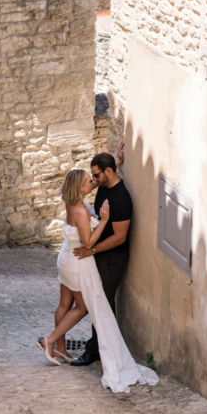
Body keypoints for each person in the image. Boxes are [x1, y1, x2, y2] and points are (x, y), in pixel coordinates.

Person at [38, 166, 157, 394]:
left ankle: (61, 349)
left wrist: (120, 162)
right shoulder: (81, 212)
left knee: (64, 304)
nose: (92, 182)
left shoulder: (72, 204)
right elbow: (88, 243)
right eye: (88, 181)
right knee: (82, 307)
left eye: (93, 179)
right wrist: (103, 220)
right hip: (76, 262)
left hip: (65, 256)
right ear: (80, 188)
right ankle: (50, 341)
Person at [70, 149, 131, 369]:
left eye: (96, 176)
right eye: (92, 177)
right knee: (98, 301)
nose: (93, 181)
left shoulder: (121, 199)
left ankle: (97, 351)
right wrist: (119, 160)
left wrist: (92, 251)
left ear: (107, 172)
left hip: (112, 258)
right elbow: (90, 185)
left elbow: (120, 237)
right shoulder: (105, 185)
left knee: (102, 302)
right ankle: (106, 347)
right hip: (99, 254)